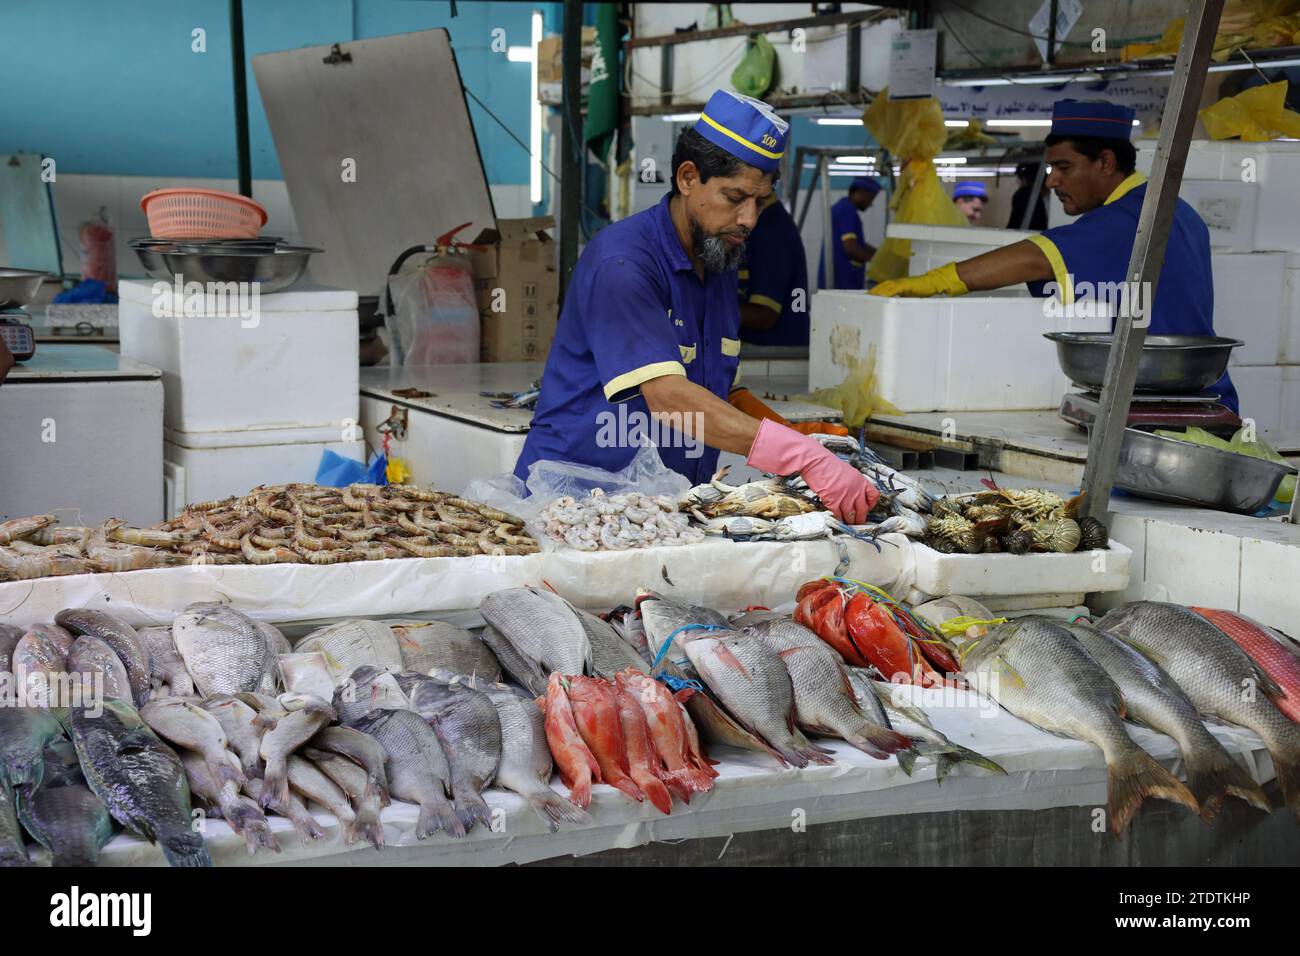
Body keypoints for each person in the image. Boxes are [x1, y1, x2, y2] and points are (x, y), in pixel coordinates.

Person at [515, 90, 876, 521]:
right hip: (574, 505)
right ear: (688, 178)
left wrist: (795, 435)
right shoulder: (624, 263)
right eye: (734, 197)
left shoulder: (717, 257)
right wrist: (798, 457)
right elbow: (669, 397)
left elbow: (725, 390)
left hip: (661, 509)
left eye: (759, 202)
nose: (749, 219)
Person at [871, 98, 1237, 412]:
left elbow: (1038, 256)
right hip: (1197, 396)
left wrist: (936, 281)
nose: (1051, 181)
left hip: (1170, 406)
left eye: (1064, 167)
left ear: (1106, 163)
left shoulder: (1129, 218)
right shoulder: (1178, 211)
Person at [737, 192, 809, 346]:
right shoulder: (759, 223)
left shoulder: (771, 230)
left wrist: (709, 315)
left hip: (775, 353)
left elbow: (765, 314)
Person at [817, 177, 880, 290]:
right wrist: (878, 262)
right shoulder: (847, 211)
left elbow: (857, 243)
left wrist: (880, 254)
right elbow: (851, 249)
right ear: (861, 192)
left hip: (839, 280)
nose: (870, 204)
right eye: (871, 199)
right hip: (842, 281)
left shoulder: (842, 207)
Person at [1008, 161, 1048, 230]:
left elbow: (1014, 224)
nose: (1018, 182)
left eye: (1020, 178)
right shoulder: (1052, 199)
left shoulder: (1023, 195)